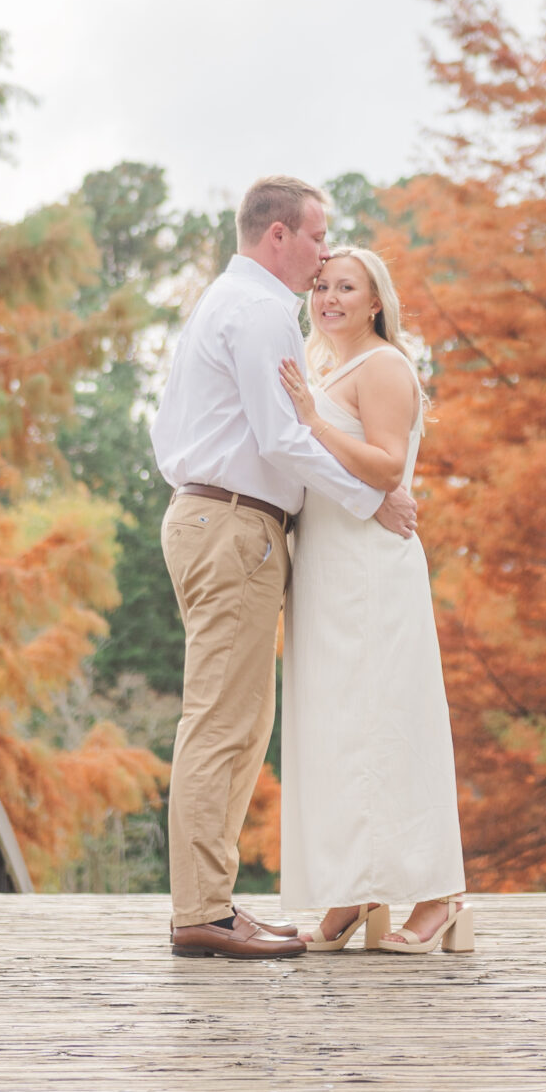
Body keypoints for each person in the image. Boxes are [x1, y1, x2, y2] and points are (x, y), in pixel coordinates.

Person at [151, 177, 420, 959]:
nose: (324, 253)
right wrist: (372, 500)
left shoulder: (220, 301)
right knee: (222, 722)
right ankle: (203, 911)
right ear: (279, 236)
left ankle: (213, 903)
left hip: (212, 516)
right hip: (233, 522)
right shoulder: (264, 309)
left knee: (240, 722)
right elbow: (280, 437)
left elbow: (173, 429)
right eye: (317, 236)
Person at [276, 246, 471, 955]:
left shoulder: (383, 366)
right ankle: (356, 887)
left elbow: (388, 467)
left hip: (370, 569)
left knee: (390, 721)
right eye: (322, 285)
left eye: (346, 287)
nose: (329, 297)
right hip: (326, 568)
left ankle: (437, 893)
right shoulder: (324, 367)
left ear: (375, 301)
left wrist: (311, 419)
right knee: (338, 728)